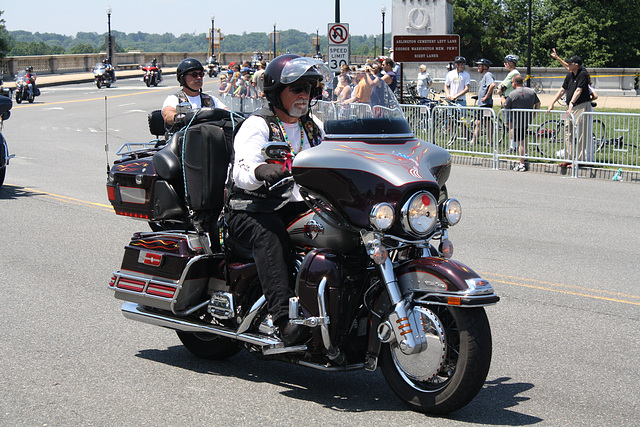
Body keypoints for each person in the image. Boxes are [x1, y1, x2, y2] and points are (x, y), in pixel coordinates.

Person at [226, 54, 330, 346]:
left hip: (299, 204)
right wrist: (262, 169)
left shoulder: (313, 127)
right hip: (252, 207)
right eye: (296, 88)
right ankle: (283, 320)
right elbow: (242, 169)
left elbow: (336, 153)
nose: (303, 95)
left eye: (308, 89)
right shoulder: (258, 125)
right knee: (271, 237)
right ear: (276, 93)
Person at [547, 55, 593, 166]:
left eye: (570, 63)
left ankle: (580, 160)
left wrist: (571, 104)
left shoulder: (583, 74)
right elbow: (563, 90)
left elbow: (579, 90)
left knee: (581, 133)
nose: (568, 64)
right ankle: (569, 158)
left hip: (581, 106)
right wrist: (552, 103)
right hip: (570, 108)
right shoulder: (569, 75)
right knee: (568, 131)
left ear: (576, 65)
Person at [161, 58, 227, 130]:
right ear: (182, 78)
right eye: (194, 74)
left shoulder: (210, 99)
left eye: (201, 74)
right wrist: (179, 118)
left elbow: (227, 112)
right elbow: (167, 113)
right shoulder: (174, 99)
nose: (199, 77)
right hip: (183, 138)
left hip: (208, 138)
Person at [504, 74, 540, 171]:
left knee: (521, 142)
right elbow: (538, 103)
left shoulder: (513, 94)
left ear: (515, 82)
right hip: (527, 119)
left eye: (512, 82)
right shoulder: (531, 92)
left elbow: (505, 105)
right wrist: (534, 114)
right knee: (523, 139)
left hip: (517, 121)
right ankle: (525, 156)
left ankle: (522, 163)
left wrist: (502, 96)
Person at [470, 58, 496, 145]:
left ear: (485, 67)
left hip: (486, 104)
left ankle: (488, 141)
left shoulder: (488, 75)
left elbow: (492, 85)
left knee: (487, 122)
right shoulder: (484, 76)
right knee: (478, 122)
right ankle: (474, 140)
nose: (478, 67)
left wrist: (486, 97)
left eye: (479, 66)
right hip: (482, 104)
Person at [498, 54, 521, 152]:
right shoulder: (514, 73)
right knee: (511, 124)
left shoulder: (513, 73)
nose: (504, 64)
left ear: (511, 63)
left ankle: (513, 146)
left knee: (510, 124)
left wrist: (500, 91)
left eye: (506, 62)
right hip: (512, 98)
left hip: (508, 98)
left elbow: (502, 87)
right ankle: (514, 144)